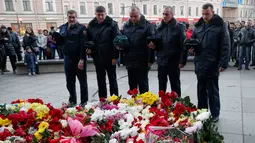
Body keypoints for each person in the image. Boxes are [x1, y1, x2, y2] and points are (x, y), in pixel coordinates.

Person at [189, 3, 230, 122]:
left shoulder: (220, 26)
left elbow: (225, 45)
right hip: (200, 63)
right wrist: (192, 48)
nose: (204, 16)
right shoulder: (198, 26)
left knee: (212, 90)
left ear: (213, 12)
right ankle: (202, 112)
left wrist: (223, 63)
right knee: (201, 90)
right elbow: (193, 41)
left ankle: (215, 114)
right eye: (202, 14)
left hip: (213, 63)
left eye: (207, 14)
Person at [150, 6, 187, 96]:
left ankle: (177, 105)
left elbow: (184, 45)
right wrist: (153, 46)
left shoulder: (179, 28)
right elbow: (158, 45)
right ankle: (162, 105)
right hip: (162, 61)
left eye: (167, 14)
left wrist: (182, 61)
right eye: (163, 14)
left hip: (174, 62)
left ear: (172, 15)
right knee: (161, 86)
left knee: (175, 86)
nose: (164, 16)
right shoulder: (159, 28)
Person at [87, 6, 121, 100]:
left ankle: (114, 99)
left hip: (110, 57)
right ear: (95, 14)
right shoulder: (91, 25)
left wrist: (115, 57)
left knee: (112, 79)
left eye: (102, 14)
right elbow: (89, 40)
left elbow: (117, 41)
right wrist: (89, 48)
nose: (101, 17)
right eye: (98, 15)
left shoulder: (113, 24)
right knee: (100, 80)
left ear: (105, 14)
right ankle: (102, 99)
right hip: (97, 57)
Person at [122, 6, 155, 93]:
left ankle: (144, 104)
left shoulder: (148, 26)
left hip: (142, 60)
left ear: (139, 14)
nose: (133, 18)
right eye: (131, 16)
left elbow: (152, 44)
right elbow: (124, 41)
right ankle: (133, 105)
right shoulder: (126, 26)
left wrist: (151, 60)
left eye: (135, 16)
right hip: (130, 59)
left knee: (143, 84)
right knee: (132, 86)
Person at [59, 10, 88, 107]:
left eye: (73, 17)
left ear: (76, 17)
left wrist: (82, 59)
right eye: (69, 17)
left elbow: (83, 45)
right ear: (67, 17)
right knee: (70, 82)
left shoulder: (82, 28)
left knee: (82, 81)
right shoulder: (63, 28)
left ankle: (84, 101)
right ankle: (72, 100)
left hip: (78, 58)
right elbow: (61, 42)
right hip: (67, 58)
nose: (71, 19)